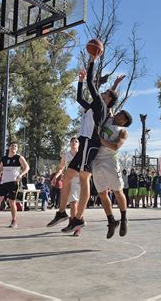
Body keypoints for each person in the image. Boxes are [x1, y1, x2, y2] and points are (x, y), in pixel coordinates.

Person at [47, 54, 123, 232]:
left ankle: (79, 218)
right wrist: (80, 81)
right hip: (84, 144)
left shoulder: (102, 106)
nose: (101, 93)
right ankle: (61, 213)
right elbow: (79, 98)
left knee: (84, 178)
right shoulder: (95, 107)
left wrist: (92, 60)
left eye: (104, 93)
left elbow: (92, 82)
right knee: (66, 178)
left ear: (107, 100)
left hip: (91, 143)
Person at [91, 109, 132, 238]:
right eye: (118, 112)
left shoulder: (123, 131)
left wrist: (99, 139)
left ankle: (124, 218)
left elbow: (115, 146)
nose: (117, 114)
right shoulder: (108, 119)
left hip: (110, 160)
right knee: (102, 193)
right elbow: (109, 104)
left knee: (117, 191)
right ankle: (111, 221)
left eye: (121, 114)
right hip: (97, 160)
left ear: (124, 120)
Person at [48, 137, 81, 235]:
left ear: (79, 144)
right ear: (69, 144)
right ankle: (74, 224)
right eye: (72, 141)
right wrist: (55, 176)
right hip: (69, 180)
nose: (74, 143)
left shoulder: (82, 154)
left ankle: (75, 224)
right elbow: (61, 167)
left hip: (80, 181)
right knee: (73, 203)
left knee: (76, 204)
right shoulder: (66, 155)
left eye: (76, 141)